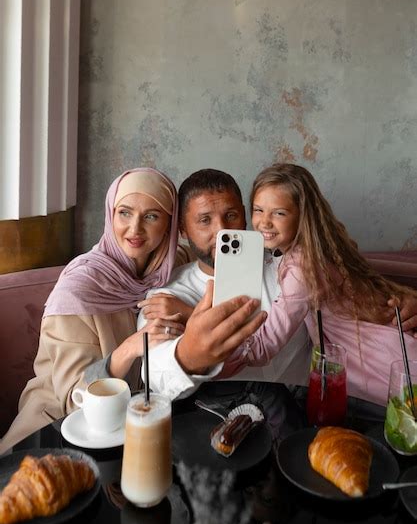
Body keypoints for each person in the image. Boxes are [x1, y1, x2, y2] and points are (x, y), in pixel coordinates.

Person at [0, 167, 265, 454]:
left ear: (171, 225)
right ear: (110, 214)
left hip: (136, 423)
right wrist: (129, 348)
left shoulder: (173, 262)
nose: (135, 229)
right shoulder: (79, 289)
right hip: (57, 431)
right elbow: (73, 401)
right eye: (124, 213)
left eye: (151, 216)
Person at [220, 163, 417, 405]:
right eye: (258, 210)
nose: (264, 222)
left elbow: (262, 347)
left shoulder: (302, 268)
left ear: (302, 215)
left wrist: (201, 353)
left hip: (378, 361)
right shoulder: (316, 246)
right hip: (389, 345)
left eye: (279, 213)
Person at [138, 169, 312, 400]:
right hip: (217, 421)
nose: (222, 230)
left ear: (245, 216)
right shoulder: (168, 296)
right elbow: (156, 377)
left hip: (302, 418)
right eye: (204, 220)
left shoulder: (289, 268)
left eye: (231, 215)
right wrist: (188, 354)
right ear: (182, 229)